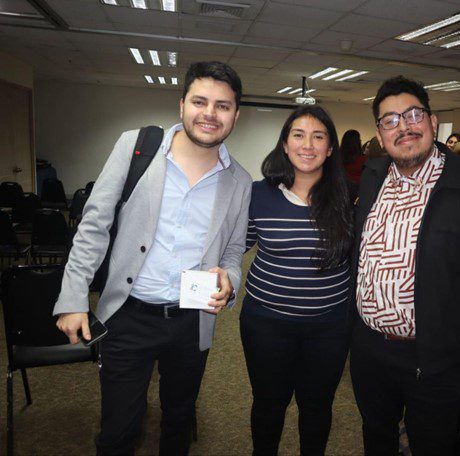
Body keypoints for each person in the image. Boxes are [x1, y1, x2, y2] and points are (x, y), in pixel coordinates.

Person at [54, 61, 252, 455]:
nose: (210, 114)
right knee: (119, 429)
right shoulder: (137, 146)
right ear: (182, 106)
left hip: (190, 322)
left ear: (235, 115)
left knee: (179, 422)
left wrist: (230, 281)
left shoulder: (239, 181)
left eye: (222, 106)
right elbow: (93, 226)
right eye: (200, 101)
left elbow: (233, 251)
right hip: (129, 316)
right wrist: (73, 298)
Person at [349, 75, 460, 456]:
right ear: (379, 133)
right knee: (376, 434)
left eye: (413, 115)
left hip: (435, 354)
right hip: (369, 348)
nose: (404, 127)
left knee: (433, 444)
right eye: (390, 120)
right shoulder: (374, 178)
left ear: (432, 121)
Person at [241, 106, 353, 456]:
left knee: (317, 406)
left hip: (330, 324)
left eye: (319, 136)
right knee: (268, 405)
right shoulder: (259, 194)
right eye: (299, 135)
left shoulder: (351, 196)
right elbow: (232, 247)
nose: (308, 145)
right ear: (285, 145)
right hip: (266, 322)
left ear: (331, 148)